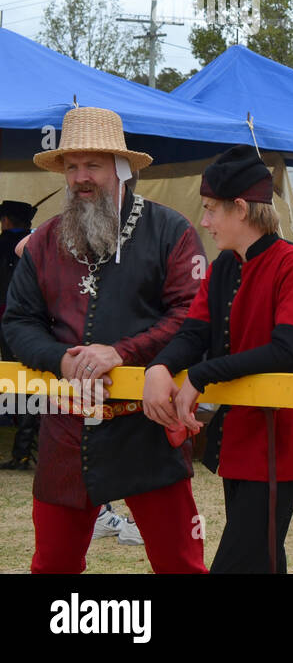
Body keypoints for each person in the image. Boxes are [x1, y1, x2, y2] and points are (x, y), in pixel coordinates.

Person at [1, 107, 206, 573]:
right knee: (52, 564)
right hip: (67, 429)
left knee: (179, 563)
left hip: (145, 425)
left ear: (120, 168)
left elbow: (191, 316)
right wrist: (62, 360)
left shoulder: (170, 231)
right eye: (71, 167)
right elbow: (18, 323)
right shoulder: (45, 241)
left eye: (91, 165)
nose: (79, 178)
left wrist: (122, 352)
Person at [143, 145, 293, 573]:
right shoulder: (224, 266)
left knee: (239, 562)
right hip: (237, 437)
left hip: (282, 440)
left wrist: (202, 375)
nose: (203, 221)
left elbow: (286, 351)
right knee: (263, 558)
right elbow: (194, 331)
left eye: (210, 210)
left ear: (240, 208)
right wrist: (160, 366)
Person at [0, 200, 38, 469]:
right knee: (30, 383)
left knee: (16, 383)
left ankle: (22, 448)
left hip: (8, 324)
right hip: (35, 325)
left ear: (6, 221)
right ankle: (24, 447)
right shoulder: (40, 244)